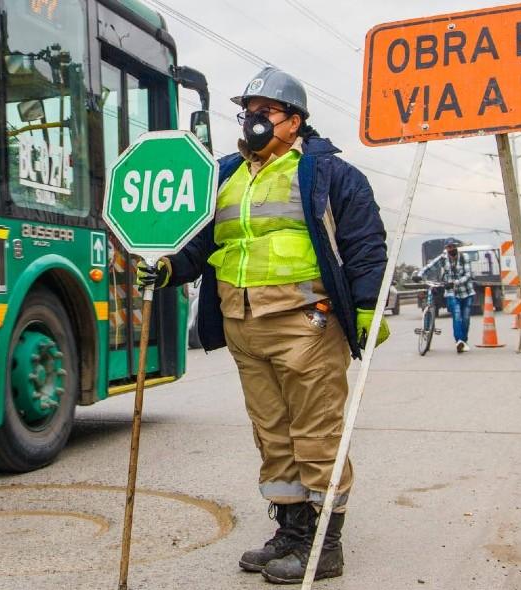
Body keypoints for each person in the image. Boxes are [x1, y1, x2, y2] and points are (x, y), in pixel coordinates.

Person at [137, 66, 388, 584]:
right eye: (247, 111)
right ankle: (291, 532)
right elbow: (201, 241)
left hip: (307, 324)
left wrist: (365, 310)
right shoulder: (227, 173)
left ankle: (324, 545)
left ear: (294, 122)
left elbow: (365, 246)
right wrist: (167, 267)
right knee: (273, 437)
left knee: (316, 436)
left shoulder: (331, 174)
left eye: (264, 112)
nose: (252, 120)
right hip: (242, 325)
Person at [418, 239, 475, 352]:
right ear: (446, 249)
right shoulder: (443, 258)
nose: (451, 249)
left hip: (467, 292)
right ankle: (459, 341)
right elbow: (430, 266)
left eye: (453, 247)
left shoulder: (464, 258)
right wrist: (419, 274)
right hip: (451, 292)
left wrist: (455, 282)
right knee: (457, 316)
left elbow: (468, 275)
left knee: (466, 318)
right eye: (449, 247)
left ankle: (464, 340)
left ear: (456, 247)